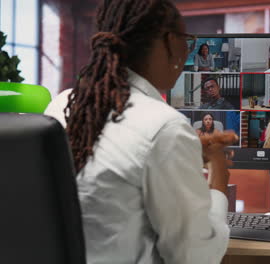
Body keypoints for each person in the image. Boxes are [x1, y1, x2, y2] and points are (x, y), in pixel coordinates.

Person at [43, 0, 238, 263]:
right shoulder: (164, 126)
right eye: (187, 40)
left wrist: (184, 152)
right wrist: (218, 179)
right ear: (169, 42)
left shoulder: (63, 104)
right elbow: (196, 256)